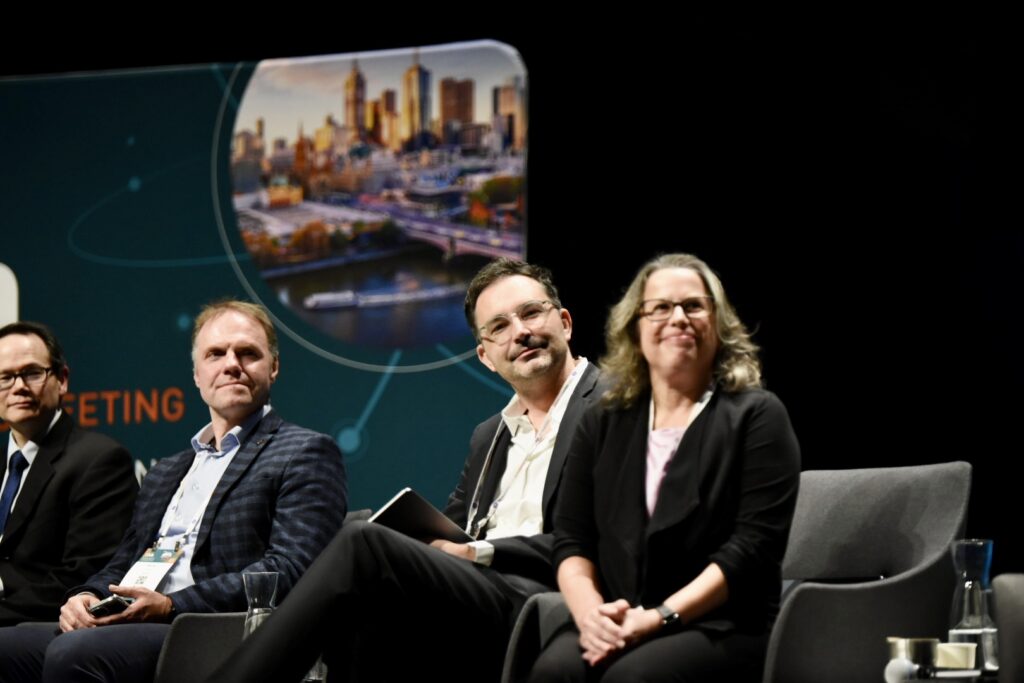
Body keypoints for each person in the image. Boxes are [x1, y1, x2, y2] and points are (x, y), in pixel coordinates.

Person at [206, 258, 602, 683]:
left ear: (564, 322)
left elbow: (607, 534)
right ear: (486, 356)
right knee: (366, 546)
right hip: (476, 590)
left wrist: (479, 552)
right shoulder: (489, 436)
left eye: (530, 313)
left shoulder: (614, 406)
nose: (520, 332)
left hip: (544, 595)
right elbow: (454, 527)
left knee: (365, 543)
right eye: (500, 326)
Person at [0, 300, 348, 683]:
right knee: (8, 646)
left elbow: (292, 570)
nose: (231, 364)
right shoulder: (167, 470)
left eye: (248, 353)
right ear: (197, 374)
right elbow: (125, 561)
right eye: (215, 354)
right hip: (135, 618)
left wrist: (171, 605)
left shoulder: (304, 451)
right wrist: (86, 595)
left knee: (75, 654)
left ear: (274, 367)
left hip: (216, 629)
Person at [528, 253, 800, 682]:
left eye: (694, 306)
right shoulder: (601, 420)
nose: (678, 318)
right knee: (553, 671)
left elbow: (751, 551)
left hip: (721, 623)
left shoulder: (757, 416)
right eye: (660, 308)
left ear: (718, 322)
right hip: (616, 614)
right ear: (636, 327)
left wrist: (659, 618)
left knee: (633, 678)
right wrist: (590, 617)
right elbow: (572, 541)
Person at [0, 322, 137, 625]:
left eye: (32, 373)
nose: (18, 386)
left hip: (44, 627)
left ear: (61, 380)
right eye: (5, 377)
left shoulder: (99, 460)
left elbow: (81, 575)